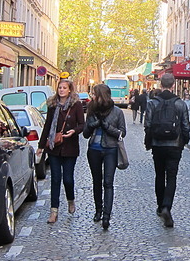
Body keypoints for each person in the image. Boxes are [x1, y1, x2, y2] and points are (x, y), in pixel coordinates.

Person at [144, 73, 190, 228]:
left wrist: (149, 141)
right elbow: (185, 125)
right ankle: (167, 206)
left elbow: (148, 124)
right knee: (171, 177)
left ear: (161, 85)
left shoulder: (152, 103)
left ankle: (160, 206)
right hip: (174, 145)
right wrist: (184, 140)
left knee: (159, 174)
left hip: (158, 144)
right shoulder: (180, 103)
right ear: (173, 85)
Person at [38, 79, 85, 224]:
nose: (61, 90)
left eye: (64, 88)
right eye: (59, 88)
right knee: (56, 179)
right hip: (54, 147)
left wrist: (74, 131)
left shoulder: (76, 105)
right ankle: (54, 211)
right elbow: (47, 126)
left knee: (68, 179)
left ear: (70, 89)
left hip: (70, 148)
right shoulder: (52, 105)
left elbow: (82, 124)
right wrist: (41, 145)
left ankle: (71, 200)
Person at [83, 83, 126, 230]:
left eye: (94, 94)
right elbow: (85, 133)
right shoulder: (91, 110)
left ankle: (106, 216)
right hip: (94, 149)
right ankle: (98, 211)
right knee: (96, 181)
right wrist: (93, 124)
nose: (92, 96)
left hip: (111, 149)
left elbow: (122, 133)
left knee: (108, 182)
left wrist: (107, 127)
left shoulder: (117, 112)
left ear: (102, 96)